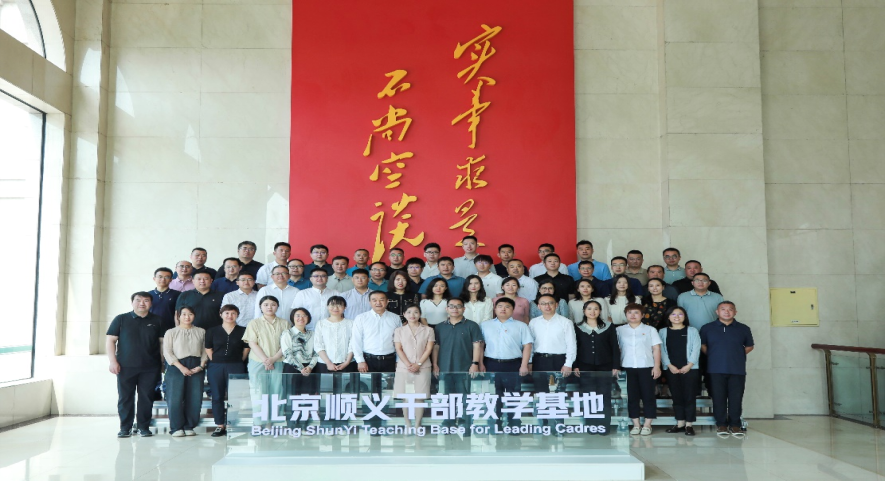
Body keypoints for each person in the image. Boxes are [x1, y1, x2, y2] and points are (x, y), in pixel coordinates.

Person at [107, 292, 164, 437]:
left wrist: (162, 363)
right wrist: (113, 361)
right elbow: (110, 341)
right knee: (125, 398)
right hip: (125, 366)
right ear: (132, 302)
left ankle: (143, 427)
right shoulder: (121, 319)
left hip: (150, 367)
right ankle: (125, 427)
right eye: (138, 300)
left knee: (146, 397)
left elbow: (162, 344)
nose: (142, 303)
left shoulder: (158, 320)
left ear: (151, 303)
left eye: (146, 300)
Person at [701, 301, 754, 437]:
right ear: (717, 312)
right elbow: (703, 346)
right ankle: (721, 425)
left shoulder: (743, 328)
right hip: (714, 369)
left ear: (735, 312)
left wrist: (736, 355)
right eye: (723, 309)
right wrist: (714, 356)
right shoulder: (707, 328)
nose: (727, 312)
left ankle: (735, 425)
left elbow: (749, 346)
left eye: (730, 309)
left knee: (736, 398)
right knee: (718, 398)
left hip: (737, 369)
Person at [480, 298, 533, 430]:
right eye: (500, 306)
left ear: (513, 309)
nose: (503, 309)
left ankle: (514, 424)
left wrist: (524, 365)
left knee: (513, 395)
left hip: (513, 364)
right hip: (491, 363)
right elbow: (480, 346)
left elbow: (527, 346)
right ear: (495, 309)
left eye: (507, 306)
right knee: (494, 396)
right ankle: (495, 424)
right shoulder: (485, 325)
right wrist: (480, 363)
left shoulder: (521, 326)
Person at [351, 291, 401, 428]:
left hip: (389, 359)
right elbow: (356, 341)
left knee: (387, 391)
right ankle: (371, 421)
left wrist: (398, 360)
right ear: (369, 302)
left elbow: (399, 341)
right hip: (368, 360)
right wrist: (360, 360)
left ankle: (384, 420)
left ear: (387, 301)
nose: (378, 302)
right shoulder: (361, 318)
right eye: (374, 300)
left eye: (381, 299)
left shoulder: (395, 318)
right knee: (370, 391)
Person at [433, 298, 484, 431]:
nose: (455, 309)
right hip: (444, 367)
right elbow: (436, 347)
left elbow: (477, 345)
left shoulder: (472, 325)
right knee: (447, 396)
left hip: (464, 367)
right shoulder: (439, 327)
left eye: (458, 306)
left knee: (464, 396)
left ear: (464, 309)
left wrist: (475, 363)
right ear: (446, 309)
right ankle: (448, 421)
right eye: (451, 306)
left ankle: (464, 421)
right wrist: (435, 364)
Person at [528, 294, 576, 431]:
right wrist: (530, 362)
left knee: (559, 395)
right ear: (538, 306)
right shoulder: (533, 322)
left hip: (559, 360)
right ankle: (543, 425)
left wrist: (568, 364)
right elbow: (530, 344)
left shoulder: (565, 322)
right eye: (543, 303)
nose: (547, 306)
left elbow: (571, 344)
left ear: (556, 305)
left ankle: (558, 425)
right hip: (539, 360)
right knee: (541, 394)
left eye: (550, 303)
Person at [573, 300, 620, 431]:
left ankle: (604, 425)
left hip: (605, 365)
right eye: (589, 309)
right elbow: (574, 347)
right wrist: (575, 365)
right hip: (585, 366)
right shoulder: (577, 327)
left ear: (600, 311)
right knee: (588, 396)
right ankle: (591, 425)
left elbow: (614, 347)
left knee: (604, 395)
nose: (592, 312)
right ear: (584, 311)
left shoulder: (609, 326)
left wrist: (616, 365)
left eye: (596, 309)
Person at [617, 304, 661, 436]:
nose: (633, 315)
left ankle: (647, 424)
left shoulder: (650, 330)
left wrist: (657, 366)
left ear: (642, 315)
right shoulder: (619, 330)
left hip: (646, 367)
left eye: (636, 312)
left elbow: (656, 348)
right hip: (627, 367)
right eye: (629, 312)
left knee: (648, 396)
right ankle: (636, 424)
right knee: (632, 396)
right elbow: (617, 350)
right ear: (626, 315)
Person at [163, 306, 208, 437]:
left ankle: (189, 426)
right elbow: (167, 351)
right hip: (176, 365)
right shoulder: (171, 332)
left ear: (195, 316)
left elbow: (205, 350)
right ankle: (176, 427)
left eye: (190, 314)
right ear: (178, 316)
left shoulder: (201, 331)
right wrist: (181, 367)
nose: (187, 317)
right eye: (184, 314)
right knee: (175, 397)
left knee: (195, 397)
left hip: (196, 366)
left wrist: (201, 366)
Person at [205, 304, 249, 437]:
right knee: (217, 395)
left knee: (234, 396)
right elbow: (208, 348)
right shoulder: (212, 331)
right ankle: (219, 425)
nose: (230, 316)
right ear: (221, 315)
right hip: (216, 366)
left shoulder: (243, 330)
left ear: (237, 315)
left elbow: (246, 348)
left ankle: (231, 423)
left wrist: (239, 360)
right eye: (227, 313)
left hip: (236, 365)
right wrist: (215, 360)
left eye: (233, 313)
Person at [659, 306, 701, 436]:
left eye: (680, 314)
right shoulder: (662, 331)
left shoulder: (692, 331)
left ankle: (689, 425)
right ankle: (680, 423)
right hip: (671, 369)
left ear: (685, 316)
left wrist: (689, 365)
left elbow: (696, 348)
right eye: (673, 314)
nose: (676, 317)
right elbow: (661, 350)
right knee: (676, 396)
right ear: (668, 317)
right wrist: (669, 365)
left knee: (689, 396)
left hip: (690, 369)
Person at [242, 296, 290, 406]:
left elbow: (286, 344)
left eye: (273, 304)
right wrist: (266, 360)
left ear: (277, 306)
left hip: (278, 361)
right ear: (260, 307)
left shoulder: (284, 323)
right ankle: (259, 417)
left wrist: (273, 359)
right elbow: (252, 343)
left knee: (277, 391)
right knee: (258, 391)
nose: (269, 307)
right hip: (257, 361)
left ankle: (276, 416)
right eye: (266, 305)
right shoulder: (254, 323)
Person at [393, 305, 435, 430]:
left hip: (423, 367)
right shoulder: (399, 330)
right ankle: (408, 424)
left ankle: (417, 425)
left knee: (419, 397)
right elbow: (398, 349)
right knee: (406, 397)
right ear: (404, 314)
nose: (412, 315)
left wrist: (418, 364)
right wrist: (408, 364)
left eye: (416, 312)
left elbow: (429, 349)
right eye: (409, 312)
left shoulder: (428, 330)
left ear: (420, 314)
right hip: (403, 367)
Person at [281, 308, 319, 413]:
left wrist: (310, 367)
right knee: (292, 396)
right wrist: (301, 368)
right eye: (297, 315)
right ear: (293, 318)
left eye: (304, 316)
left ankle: (306, 419)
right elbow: (287, 353)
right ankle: (292, 420)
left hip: (310, 368)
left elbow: (317, 352)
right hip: (292, 368)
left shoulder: (313, 334)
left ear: (308, 318)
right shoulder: (287, 333)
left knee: (309, 395)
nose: (301, 318)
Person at [313, 296, 355, 375]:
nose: (335, 308)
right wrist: (328, 362)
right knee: (325, 383)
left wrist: (347, 362)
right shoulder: (321, 323)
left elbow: (353, 344)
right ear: (327, 307)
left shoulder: (351, 323)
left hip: (347, 364)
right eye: (332, 305)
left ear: (345, 307)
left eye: (339, 305)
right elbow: (318, 344)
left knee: (347, 383)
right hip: (324, 364)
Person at [149, 267, 180, 333]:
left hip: (170, 329)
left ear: (171, 279)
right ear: (154, 278)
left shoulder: (178, 295)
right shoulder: (148, 295)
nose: (163, 279)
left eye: (167, 277)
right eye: (160, 277)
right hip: (150, 329)